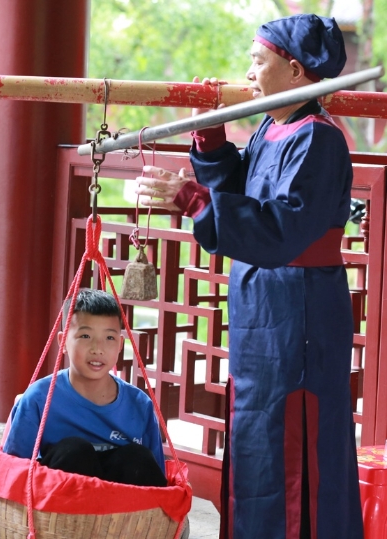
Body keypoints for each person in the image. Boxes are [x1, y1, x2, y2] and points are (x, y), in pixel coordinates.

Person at [134, 14, 363, 539]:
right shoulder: (270, 124)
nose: (249, 71)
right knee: (256, 435)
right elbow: (241, 190)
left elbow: (279, 230)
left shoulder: (318, 138)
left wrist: (190, 195)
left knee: (292, 444)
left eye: (258, 61)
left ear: (297, 71)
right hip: (263, 306)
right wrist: (212, 141)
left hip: (298, 311)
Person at [3, 288, 167, 487]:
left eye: (109, 338)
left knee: (137, 457)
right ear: (62, 342)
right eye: (85, 336)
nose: (97, 348)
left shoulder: (139, 405)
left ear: (120, 345)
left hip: (121, 510)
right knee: (75, 451)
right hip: (61, 505)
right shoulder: (39, 399)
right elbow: (14, 471)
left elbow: (158, 479)